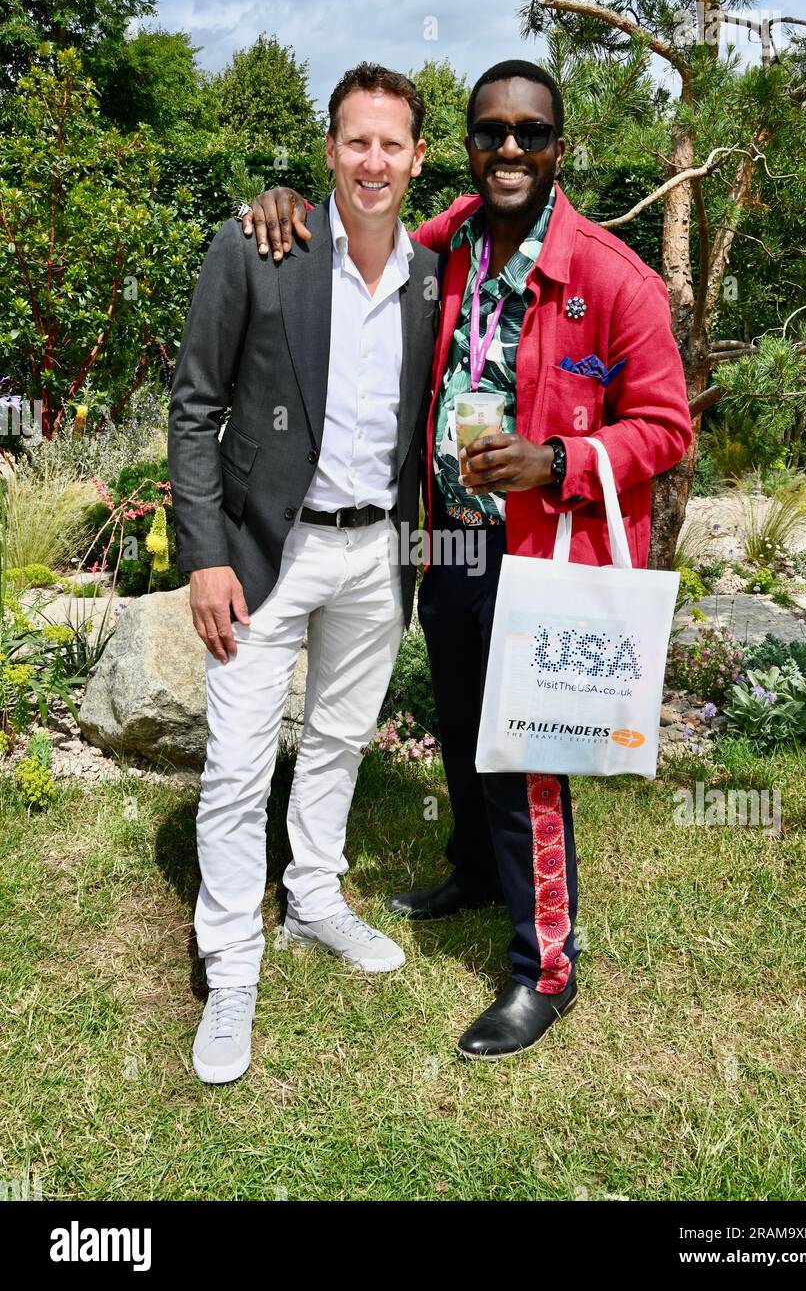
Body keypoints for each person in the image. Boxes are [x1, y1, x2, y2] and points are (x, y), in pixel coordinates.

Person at [242, 58, 693, 1059]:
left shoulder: (614, 280)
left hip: (540, 548)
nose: (508, 150)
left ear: (559, 148)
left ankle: (545, 967)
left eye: (530, 133)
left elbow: (666, 429)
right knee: (456, 718)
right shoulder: (449, 243)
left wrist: (562, 458)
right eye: (490, 132)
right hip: (446, 537)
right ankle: (477, 872)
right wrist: (284, 204)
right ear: (470, 146)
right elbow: (363, 223)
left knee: (526, 758)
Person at [168, 64, 442, 1083]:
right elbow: (196, 405)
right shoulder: (258, 245)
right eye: (355, 141)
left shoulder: (432, 271)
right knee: (237, 767)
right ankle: (230, 964)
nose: (374, 161)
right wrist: (202, 554)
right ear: (329, 150)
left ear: (418, 159)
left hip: (376, 550)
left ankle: (315, 896)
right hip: (260, 554)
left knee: (335, 737)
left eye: (392, 144)